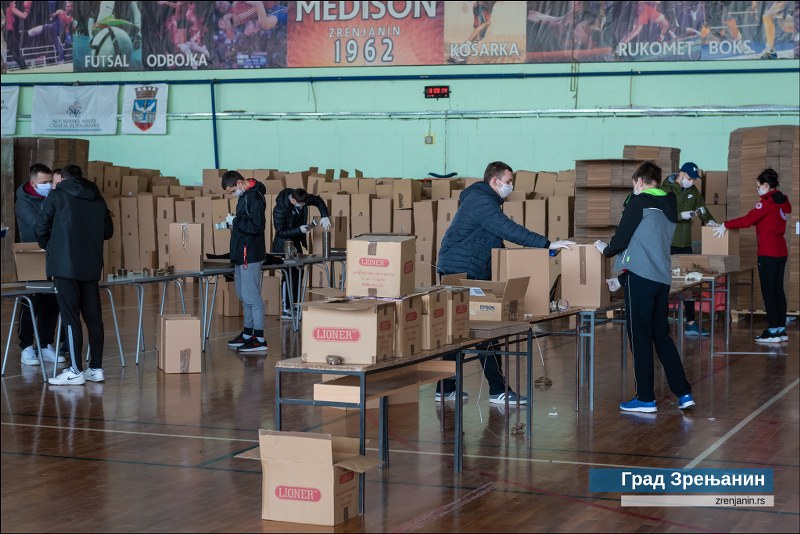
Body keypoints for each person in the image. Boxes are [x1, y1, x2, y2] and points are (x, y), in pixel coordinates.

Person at [436, 161, 575, 404]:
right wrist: (546, 244)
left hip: (460, 267)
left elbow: (495, 241)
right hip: (462, 270)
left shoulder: (483, 201)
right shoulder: (482, 201)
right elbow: (507, 229)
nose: (510, 186)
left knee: (458, 329)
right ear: (495, 181)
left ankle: (445, 388)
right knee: (486, 327)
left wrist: (533, 254)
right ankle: (497, 390)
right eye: (508, 182)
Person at [594, 161, 694, 413]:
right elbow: (646, 242)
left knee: (639, 337)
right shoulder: (670, 204)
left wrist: (605, 250)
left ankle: (645, 397)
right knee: (661, 336)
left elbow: (623, 235)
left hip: (640, 279)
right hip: (661, 278)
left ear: (639, 182)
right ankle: (683, 393)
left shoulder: (639, 201)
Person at [36, 164, 113, 386]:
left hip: (64, 265)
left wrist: (48, 245)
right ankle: (96, 368)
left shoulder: (57, 195)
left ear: (64, 179)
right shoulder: (98, 198)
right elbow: (108, 231)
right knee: (94, 318)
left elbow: (42, 226)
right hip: (91, 266)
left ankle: (75, 370)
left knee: (71, 320)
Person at [713, 168, 792, 343]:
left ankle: (772, 331)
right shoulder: (783, 201)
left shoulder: (766, 203)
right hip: (781, 251)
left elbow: (748, 220)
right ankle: (780, 329)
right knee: (778, 290)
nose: (758, 190)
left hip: (768, 252)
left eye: (758, 187)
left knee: (768, 291)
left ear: (766, 185)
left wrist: (726, 224)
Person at [15, 163, 65, 367]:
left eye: (50, 182)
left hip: (53, 254)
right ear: (33, 182)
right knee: (31, 302)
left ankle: (45, 344)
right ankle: (26, 346)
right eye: (44, 183)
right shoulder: (24, 202)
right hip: (32, 256)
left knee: (51, 302)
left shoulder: (52, 196)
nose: (48, 186)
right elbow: (38, 225)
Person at [660, 161, 717, 336]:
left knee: (689, 283)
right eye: (689, 178)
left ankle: (691, 323)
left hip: (685, 244)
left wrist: (709, 220)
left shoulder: (693, 192)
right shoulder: (667, 189)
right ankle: (661, 323)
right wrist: (680, 215)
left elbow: (701, 207)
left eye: (693, 179)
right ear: (681, 174)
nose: (691, 182)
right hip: (668, 242)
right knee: (664, 283)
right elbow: (661, 212)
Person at [221, 171, 269, 352]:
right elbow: (247, 222)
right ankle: (248, 333)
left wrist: (236, 221)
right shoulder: (245, 197)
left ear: (240, 183)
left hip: (250, 254)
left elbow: (257, 227)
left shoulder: (253, 197)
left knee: (252, 297)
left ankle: (260, 338)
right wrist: (234, 222)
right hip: (241, 253)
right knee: (243, 295)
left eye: (232, 190)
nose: (231, 194)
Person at [271, 187, 331, 319]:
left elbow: (318, 200)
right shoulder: (279, 209)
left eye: (304, 204)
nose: (303, 206)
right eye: (300, 204)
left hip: (296, 243)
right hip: (283, 246)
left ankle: (296, 303)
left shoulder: (301, 199)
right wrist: (299, 230)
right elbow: (280, 232)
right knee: (289, 274)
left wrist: (324, 215)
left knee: (299, 272)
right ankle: (287, 308)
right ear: (292, 199)